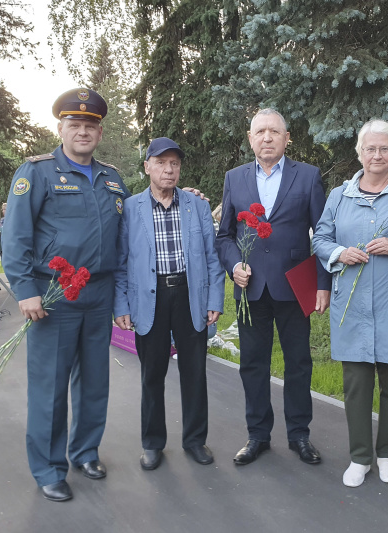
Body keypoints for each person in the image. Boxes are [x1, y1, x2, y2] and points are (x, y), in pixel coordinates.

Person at [2, 88, 128, 502]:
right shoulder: (36, 172)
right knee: (50, 385)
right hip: (52, 296)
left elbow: (125, 235)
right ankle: (48, 468)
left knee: (95, 382)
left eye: (90, 125)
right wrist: (25, 289)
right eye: (75, 124)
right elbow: (15, 236)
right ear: (61, 128)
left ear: (100, 131)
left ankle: (85, 451)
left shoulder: (112, 178)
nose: (83, 131)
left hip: (99, 293)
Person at [313, 120, 388, 487]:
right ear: (360, 153)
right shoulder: (339, 195)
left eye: (384, 148)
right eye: (370, 149)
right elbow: (320, 238)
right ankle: (361, 456)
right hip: (353, 302)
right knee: (357, 385)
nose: (377, 155)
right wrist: (338, 252)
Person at [215, 108, 330, 466]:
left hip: (295, 286)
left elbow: (324, 234)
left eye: (274, 132)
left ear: (287, 138)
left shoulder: (308, 177)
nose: (267, 137)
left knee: (298, 363)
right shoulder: (234, 178)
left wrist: (322, 285)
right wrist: (234, 265)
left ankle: (299, 435)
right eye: (260, 131)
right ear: (250, 138)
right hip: (250, 290)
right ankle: (257, 435)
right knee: (253, 363)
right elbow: (225, 235)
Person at [113, 137, 224, 471]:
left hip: (190, 295)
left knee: (194, 373)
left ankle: (194, 440)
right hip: (150, 298)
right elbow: (120, 262)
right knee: (152, 374)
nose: (169, 169)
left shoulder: (197, 206)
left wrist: (214, 298)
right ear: (147, 166)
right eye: (161, 163)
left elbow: (212, 257)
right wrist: (121, 305)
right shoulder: (130, 209)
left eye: (174, 163)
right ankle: (152, 443)